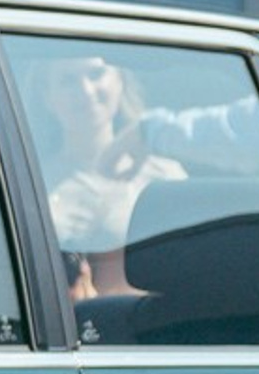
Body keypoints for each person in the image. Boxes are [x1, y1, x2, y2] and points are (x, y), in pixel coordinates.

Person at [28, 49, 183, 299]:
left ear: (120, 80)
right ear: (47, 96)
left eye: (96, 74)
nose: (86, 91)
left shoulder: (164, 178)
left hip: (138, 331)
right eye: (68, 81)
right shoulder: (27, 182)